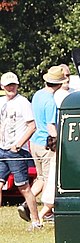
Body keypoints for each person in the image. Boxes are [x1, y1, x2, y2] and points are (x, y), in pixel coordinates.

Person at [21, 65, 67, 223]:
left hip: (34, 142)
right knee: (49, 179)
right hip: (46, 144)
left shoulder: (37, 95)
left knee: (40, 177)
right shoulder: (50, 102)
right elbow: (51, 127)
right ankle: (46, 213)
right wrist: (58, 142)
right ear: (60, 84)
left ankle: (26, 203)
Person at [0, 72, 40, 229]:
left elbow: (32, 126)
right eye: (8, 85)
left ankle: (36, 221)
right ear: (2, 87)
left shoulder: (23, 103)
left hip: (17, 151)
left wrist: (18, 144)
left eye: (13, 85)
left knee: (23, 186)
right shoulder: (1, 102)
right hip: (2, 149)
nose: (11, 88)